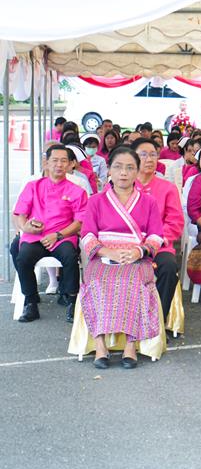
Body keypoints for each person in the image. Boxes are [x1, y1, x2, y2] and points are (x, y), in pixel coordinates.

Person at [79, 147, 164, 369]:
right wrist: (108, 252)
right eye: (118, 167)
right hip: (104, 256)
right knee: (96, 281)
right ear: (109, 170)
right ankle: (100, 344)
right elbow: (87, 234)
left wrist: (138, 252)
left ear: (137, 172)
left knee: (133, 281)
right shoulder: (96, 200)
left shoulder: (148, 202)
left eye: (129, 168)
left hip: (136, 256)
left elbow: (156, 235)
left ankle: (130, 344)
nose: (123, 173)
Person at [13, 144, 88, 323]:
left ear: (71, 165)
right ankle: (30, 302)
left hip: (62, 236)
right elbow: (19, 214)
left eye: (64, 161)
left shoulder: (77, 191)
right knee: (23, 257)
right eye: (54, 160)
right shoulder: (33, 186)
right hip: (36, 236)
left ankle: (71, 300)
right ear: (46, 163)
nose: (59, 165)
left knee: (70, 257)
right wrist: (26, 227)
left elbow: (80, 221)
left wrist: (59, 235)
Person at [132, 138, 184, 322]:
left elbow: (175, 221)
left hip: (158, 247)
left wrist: (155, 241)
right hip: (126, 246)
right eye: (143, 154)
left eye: (153, 154)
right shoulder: (120, 186)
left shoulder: (167, 188)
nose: (149, 159)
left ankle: (157, 322)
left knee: (169, 267)